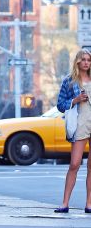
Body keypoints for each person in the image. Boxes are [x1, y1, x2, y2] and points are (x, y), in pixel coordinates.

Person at [55, 48, 91, 213]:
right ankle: (64, 203)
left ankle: (89, 204)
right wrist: (75, 100)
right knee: (74, 164)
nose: (86, 62)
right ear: (77, 61)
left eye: (89, 60)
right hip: (80, 125)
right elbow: (60, 105)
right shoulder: (69, 81)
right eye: (83, 59)